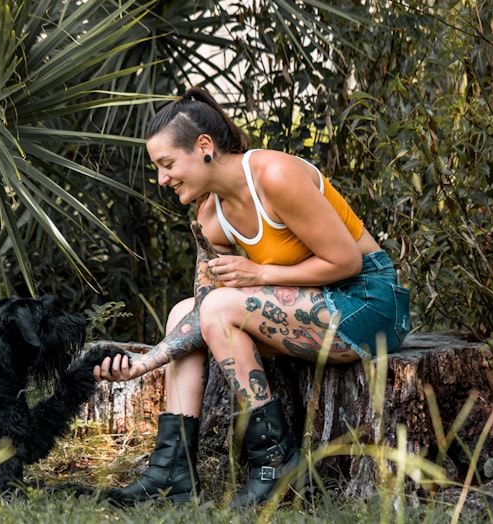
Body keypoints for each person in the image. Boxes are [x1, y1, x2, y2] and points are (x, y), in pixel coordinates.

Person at [94, 86, 411, 507]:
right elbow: (203, 310)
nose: (162, 179)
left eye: (167, 164)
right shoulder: (211, 215)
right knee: (183, 312)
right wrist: (144, 363)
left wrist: (260, 272)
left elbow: (346, 261)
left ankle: (277, 461)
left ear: (204, 146)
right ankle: (171, 470)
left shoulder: (273, 175)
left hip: (367, 302)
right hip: (309, 309)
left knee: (222, 308)